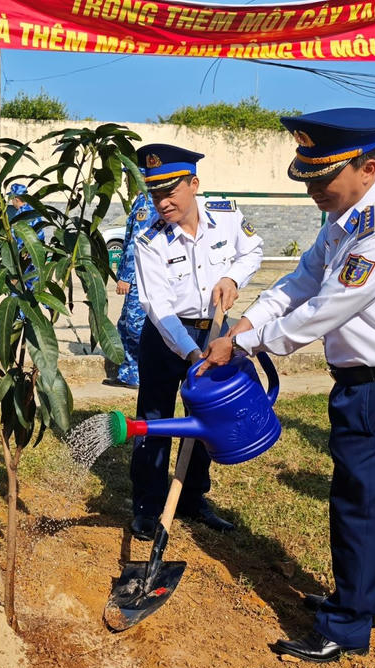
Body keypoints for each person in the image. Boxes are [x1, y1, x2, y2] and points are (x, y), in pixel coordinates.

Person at [201, 109, 375, 662]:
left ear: (368, 167)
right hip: (368, 386)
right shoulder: (347, 218)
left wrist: (246, 343)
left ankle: (347, 625)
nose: (313, 190)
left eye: (323, 178)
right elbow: (303, 278)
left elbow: (324, 310)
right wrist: (248, 320)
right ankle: (364, 598)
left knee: (363, 505)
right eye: (307, 178)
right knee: (367, 500)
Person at [130, 143, 263, 541]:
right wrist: (190, 353)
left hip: (216, 332)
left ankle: (192, 499)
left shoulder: (226, 216)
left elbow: (253, 250)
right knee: (155, 420)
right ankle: (147, 507)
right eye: (155, 194)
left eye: (170, 191)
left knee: (205, 417)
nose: (162, 202)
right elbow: (158, 306)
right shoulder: (148, 239)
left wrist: (233, 278)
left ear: (194, 184)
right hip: (169, 335)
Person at [111, 192, 157, 388]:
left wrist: (126, 276)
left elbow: (136, 243)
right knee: (124, 325)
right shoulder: (142, 198)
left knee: (135, 327)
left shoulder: (147, 201)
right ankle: (128, 374)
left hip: (140, 275)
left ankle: (143, 374)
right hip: (140, 274)